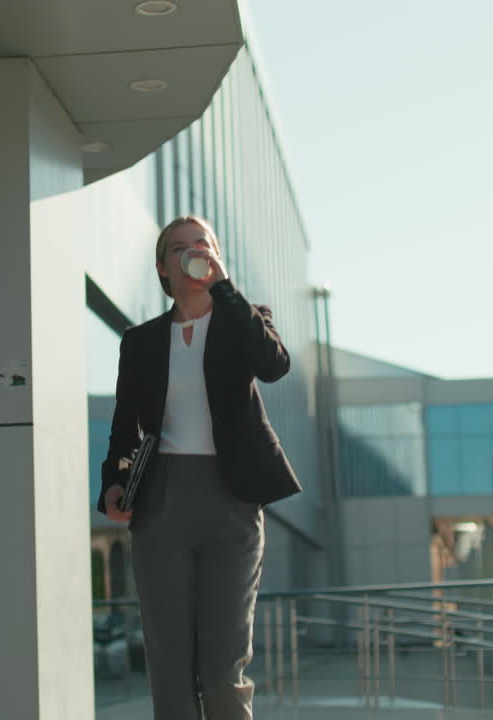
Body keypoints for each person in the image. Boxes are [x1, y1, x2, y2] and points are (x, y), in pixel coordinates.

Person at [95, 215, 302, 720]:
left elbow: (274, 365)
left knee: (222, 668)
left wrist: (226, 288)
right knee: (170, 667)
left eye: (202, 245)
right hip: (162, 501)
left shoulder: (245, 321)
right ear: (164, 268)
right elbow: (125, 426)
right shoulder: (141, 342)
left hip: (232, 500)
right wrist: (114, 484)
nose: (194, 253)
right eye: (180, 248)